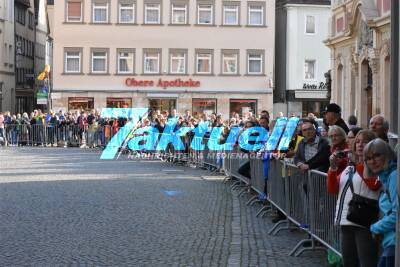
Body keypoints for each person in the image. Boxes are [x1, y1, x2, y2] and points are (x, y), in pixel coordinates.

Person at [327, 130, 380, 267]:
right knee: (349, 262)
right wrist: (333, 168)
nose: (360, 145)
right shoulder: (350, 167)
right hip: (346, 220)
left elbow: (373, 185)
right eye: (357, 141)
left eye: (365, 142)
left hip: (363, 222)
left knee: (366, 263)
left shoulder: (374, 165)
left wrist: (359, 163)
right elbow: (333, 189)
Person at [364, 139, 398, 267]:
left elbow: (397, 214)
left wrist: (375, 228)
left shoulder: (394, 176)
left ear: (387, 154)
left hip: (395, 243)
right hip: (390, 241)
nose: (372, 161)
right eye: (368, 158)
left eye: (377, 155)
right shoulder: (386, 177)